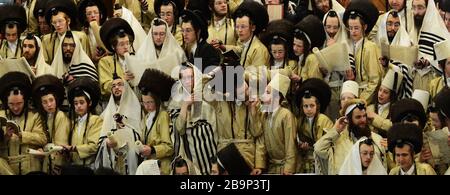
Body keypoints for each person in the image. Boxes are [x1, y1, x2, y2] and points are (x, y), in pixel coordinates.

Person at [203, 65, 266, 175]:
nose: (247, 93)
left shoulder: (255, 103)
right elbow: (201, 89)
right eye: (242, 93)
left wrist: (253, 111)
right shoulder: (220, 101)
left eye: (246, 89)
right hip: (224, 154)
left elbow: (258, 134)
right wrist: (214, 72)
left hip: (247, 156)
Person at [314, 99, 385, 175]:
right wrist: (335, 130)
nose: (363, 120)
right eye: (358, 117)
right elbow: (318, 149)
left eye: (364, 116)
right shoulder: (337, 140)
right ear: (348, 119)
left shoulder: (377, 139)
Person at [173, 63, 218, 175]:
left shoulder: (207, 102)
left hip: (209, 159)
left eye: (190, 77)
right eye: (184, 78)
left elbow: (216, 134)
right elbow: (180, 129)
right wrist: (184, 106)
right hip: (191, 160)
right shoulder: (176, 102)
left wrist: (216, 162)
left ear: (196, 77)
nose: (187, 81)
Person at [0, 72, 46, 175]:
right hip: (5, 167)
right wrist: (5, 137)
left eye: (19, 103)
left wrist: (21, 134)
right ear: (6, 103)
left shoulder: (34, 115)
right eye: (11, 104)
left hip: (30, 166)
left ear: (25, 101)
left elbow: (42, 139)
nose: (15, 108)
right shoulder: (0, 115)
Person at [96, 76, 142, 175]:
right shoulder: (106, 114)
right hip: (114, 155)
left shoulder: (135, 108)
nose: (116, 87)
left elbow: (139, 134)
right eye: (113, 86)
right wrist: (107, 143)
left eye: (120, 85)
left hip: (130, 155)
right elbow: (101, 139)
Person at [342, 0, 382, 105]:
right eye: (350, 28)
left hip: (365, 96)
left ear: (364, 27)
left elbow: (374, 80)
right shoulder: (347, 46)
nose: (353, 31)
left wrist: (361, 101)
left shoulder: (370, 47)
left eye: (356, 28)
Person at [137, 69, 175, 175]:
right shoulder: (145, 118)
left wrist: (152, 150)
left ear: (157, 100)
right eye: (144, 103)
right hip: (149, 165)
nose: (147, 106)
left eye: (150, 102)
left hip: (162, 167)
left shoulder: (163, 116)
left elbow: (169, 147)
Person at [31, 75, 70, 174]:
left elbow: (60, 147)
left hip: (56, 164)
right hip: (47, 161)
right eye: (44, 102)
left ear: (56, 100)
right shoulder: (45, 116)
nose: (49, 104)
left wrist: (57, 167)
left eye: (51, 100)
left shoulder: (60, 116)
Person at [259, 73, 297, 174]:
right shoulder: (265, 115)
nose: (263, 96)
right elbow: (261, 143)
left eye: (267, 92)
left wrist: (288, 168)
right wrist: (260, 165)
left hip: (284, 168)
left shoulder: (286, 115)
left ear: (276, 97)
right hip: (272, 167)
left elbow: (290, 144)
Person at [295, 78, 333, 173]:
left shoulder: (324, 120)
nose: (308, 109)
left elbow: (329, 143)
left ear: (317, 106)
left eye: (312, 106)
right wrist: (302, 147)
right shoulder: (300, 121)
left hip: (322, 159)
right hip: (306, 161)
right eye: (305, 106)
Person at [63, 77, 102, 169]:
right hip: (74, 166)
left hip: (89, 167)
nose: (78, 106)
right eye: (75, 103)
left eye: (81, 102)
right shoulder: (73, 123)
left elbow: (94, 146)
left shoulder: (96, 120)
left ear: (89, 103)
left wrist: (74, 148)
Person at [41, 0, 90, 64]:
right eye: (54, 22)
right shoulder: (46, 40)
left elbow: (86, 61)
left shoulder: (81, 37)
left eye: (60, 21)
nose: (57, 25)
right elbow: (44, 64)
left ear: (68, 21)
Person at [98, 18, 136, 98]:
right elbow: (105, 86)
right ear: (113, 47)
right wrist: (122, 80)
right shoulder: (105, 62)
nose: (126, 47)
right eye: (121, 44)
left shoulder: (137, 58)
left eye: (127, 43)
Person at [230, 1, 270, 69]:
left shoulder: (259, 50)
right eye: (237, 27)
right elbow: (239, 49)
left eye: (243, 27)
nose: (239, 30)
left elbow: (258, 77)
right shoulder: (243, 43)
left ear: (253, 27)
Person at [366, 69, 404, 137]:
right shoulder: (369, 108)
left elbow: (396, 128)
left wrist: (375, 118)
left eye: (385, 92)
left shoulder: (396, 111)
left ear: (392, 95)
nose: (381, 94)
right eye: (380, 90)